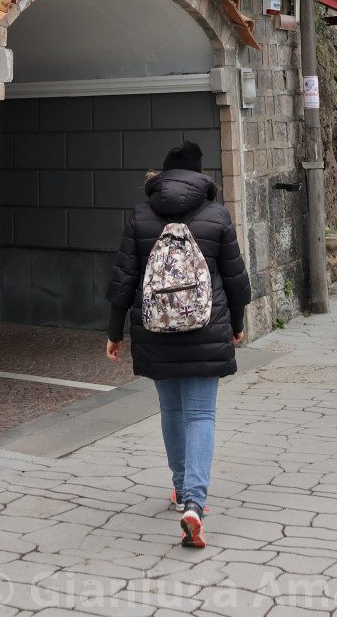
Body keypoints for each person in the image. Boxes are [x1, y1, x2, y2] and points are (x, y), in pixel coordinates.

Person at [105, 139, 251, 549]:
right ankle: (194, 505)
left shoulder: (139, 217)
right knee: (201, 414)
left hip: (155, 332)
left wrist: (116, 333)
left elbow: (122, 282)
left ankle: (179, 486)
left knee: (171, 409)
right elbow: (237, 282)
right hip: (207, 330)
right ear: (200, 176)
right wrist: (236, 325)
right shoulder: (217, 216)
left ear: (163, 176)